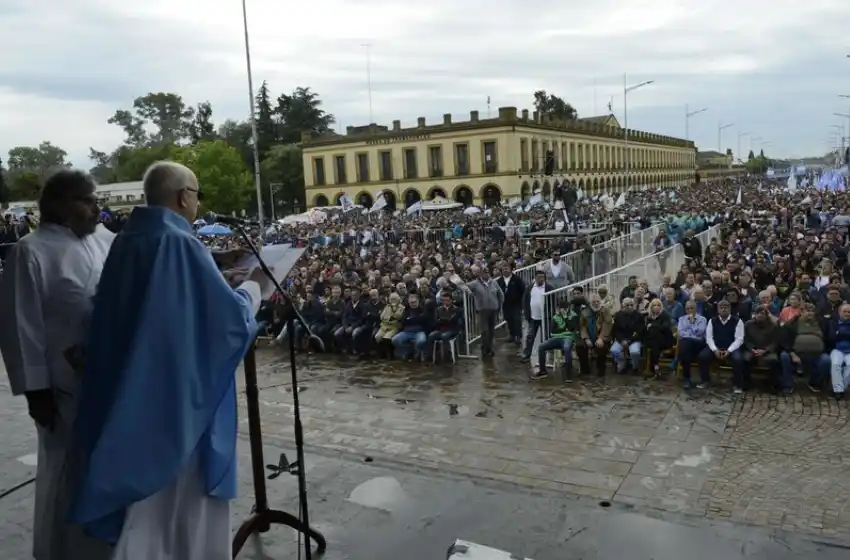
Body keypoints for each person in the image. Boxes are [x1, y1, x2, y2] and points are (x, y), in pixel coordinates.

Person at [68, 161, 264, 560]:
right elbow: (225, 324)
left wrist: (216, 264)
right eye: (197, 195)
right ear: (183, 197)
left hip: (129, 394)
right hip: (173, 406)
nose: (197, 204)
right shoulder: (180, 243)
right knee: (181, 514)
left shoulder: (130, 239)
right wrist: (253, 291)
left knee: (143, 520)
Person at [0, 169, 115, 560]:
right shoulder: (29, 252)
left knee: (105, 467)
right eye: (88, 200)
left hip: (106, 379)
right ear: (62, 205)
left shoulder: (105, 241)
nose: (97, 208)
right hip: (62, 388)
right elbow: (21, 327)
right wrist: (37, 392)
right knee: (67, 471)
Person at [534, 298, 579, 382]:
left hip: (568, 338)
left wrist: (565, 318)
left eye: (566, 308)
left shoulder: (573, 315)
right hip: (556, 338)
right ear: (558, 308)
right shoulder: (554, 317)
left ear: (569, 308)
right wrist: (564, 329)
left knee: (566, 348)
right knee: (541, 346)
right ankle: (543, 371)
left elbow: (572, 328)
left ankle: (569, 375)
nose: (564, 310)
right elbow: (552, 332)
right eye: (562, 308)